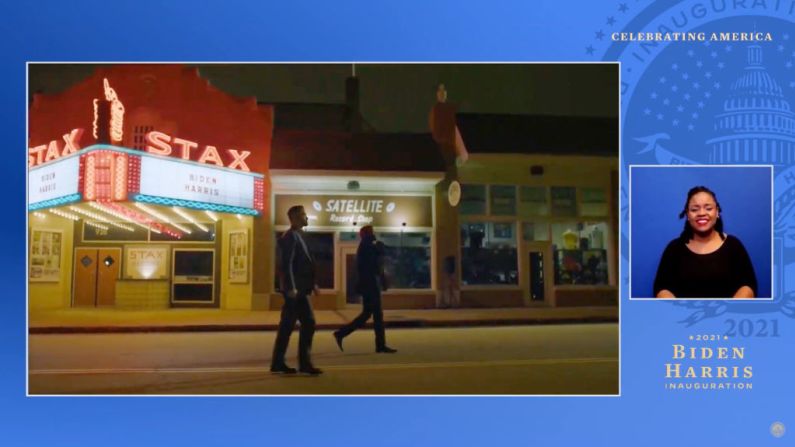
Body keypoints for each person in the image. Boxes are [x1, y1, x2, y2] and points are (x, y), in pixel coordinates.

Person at [653, 186, 757, 299]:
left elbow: (748, 285)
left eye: (708, 208)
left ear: (717, 212)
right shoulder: (673, 249)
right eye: (694, 209)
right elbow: (661, 288)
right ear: (687, 215)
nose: (702, 213)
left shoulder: (734, 246)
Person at [271, 205, 323, 375]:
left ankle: (278, 362)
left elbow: (305, 264)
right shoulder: (289, 237)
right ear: (294, 218)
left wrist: (313, 284)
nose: (306, 217)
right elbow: (286, 265)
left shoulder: (299, 236)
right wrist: (291, 287)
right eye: (303, 215)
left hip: (301, 289)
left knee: (287, 326)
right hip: (296, 291)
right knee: (308, 322)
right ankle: (304, 363)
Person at [333, 226, 397, 353]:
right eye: (372, 231)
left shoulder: (365, 246)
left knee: (367, 314)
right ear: (368, 233)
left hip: (368, 284)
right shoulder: (368, 246)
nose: (374, 233)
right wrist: (380, 250)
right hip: (371, 285)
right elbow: (376, 265)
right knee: (377, 315)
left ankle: (341, 333)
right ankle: (380, 345)